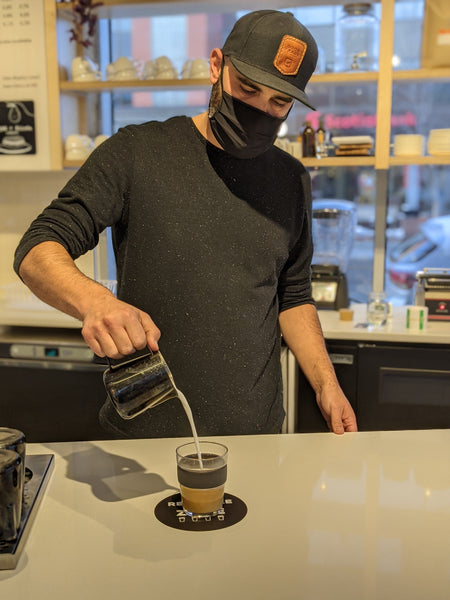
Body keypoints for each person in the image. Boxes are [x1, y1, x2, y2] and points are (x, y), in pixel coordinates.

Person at [14, 10, 357, 437]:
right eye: (248, 89)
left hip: (258, 437)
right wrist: (96, 301)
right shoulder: (137, 152)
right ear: (216, 65)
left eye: (279, 102)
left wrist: (327, 386)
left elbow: (294, 295)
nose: (260, 111)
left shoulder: (290, 179)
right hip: (144, 441)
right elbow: (37, 247)